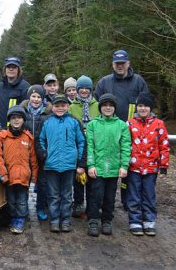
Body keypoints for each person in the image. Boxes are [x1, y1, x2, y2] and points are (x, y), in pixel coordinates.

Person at [94, 50, 148, 210]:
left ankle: (127, 201)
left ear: (128, 63)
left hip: (133, 133)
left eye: (122, 63)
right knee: (105, 167)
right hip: (107, 133)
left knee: (129, 168)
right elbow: (95, 106)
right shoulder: (104, 83)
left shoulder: (139, 82)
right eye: (117, 63)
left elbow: (146, 105)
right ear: (112, 64)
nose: (120, 66)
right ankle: (104, 202)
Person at [86, 93, 131, 237]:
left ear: (115, 108)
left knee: (110, 197)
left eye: (111, 105)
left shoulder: (122, 125)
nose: (108, 108)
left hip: (113, 168)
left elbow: (125, 146)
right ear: (100, 107)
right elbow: (90, 146)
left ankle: (106, 220)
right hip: (97, 168)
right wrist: (90, 165)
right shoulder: (93, 124)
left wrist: (124, 166)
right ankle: (93, 220)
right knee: (96, 195)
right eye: (105, 105)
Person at [39, 94, 86, 233]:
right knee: (53, 195)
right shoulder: (46, 121)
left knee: (66, 195)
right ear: (52, 107)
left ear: (68, 106)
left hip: (69, 165)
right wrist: (43, 154)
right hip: (51, 165)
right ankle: (54, 220)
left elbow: (81, 142)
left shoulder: (74, 122)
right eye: (57, 106)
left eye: (63, 106)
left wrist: (80, 163)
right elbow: (39, 140)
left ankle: (65, 220)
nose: (60, 108)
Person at [127, 92, 170, 236]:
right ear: (136, 107)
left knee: (149, 195)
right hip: (134, 167)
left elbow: (164, 145)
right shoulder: (130, 123)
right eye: (140, 106)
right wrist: (124, 163)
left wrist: (163, 165)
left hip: (151, 167)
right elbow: (125, 145)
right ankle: (135, 221)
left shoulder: (159, 124)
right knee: (134, 195)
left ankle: (149, 221)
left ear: (150, 108)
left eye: (145, 106)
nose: (143, 108)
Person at [0, 105, 38, 234]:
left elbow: (33, 159)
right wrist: (3, 173)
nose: (16, 120)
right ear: (9, 120)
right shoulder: (3, 136)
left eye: (19, 118)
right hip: (9, 176)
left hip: (24, 176)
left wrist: (34, 176)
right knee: (11, 200)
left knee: (22, 200)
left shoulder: (28, 137)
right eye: (13, 118)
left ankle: (20, 220)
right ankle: (13, 217)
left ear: (23, 120)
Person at [20, 85, 52, 221]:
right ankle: (23, 207)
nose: (36, 99)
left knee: (42, 182)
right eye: (33, 96)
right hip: (25, 151)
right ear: (29, 97)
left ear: (43, 98)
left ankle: (40, 207)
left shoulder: (48, 113)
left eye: (39, 97)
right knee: (24, 180)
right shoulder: (22, 111)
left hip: (41, 151)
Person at [68, 75, 99, 218]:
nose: (85, 91)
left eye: (87, 88)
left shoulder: (97, 105)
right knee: (78, 179)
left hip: (95, 147)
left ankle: (92, 206)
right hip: (78, 147)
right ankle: (78, 204)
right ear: (78, 90)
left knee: (93, 180)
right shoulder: (72, 107)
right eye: (82, 88)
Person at [0, 57, 30, 128]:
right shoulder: (0, 86)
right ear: (5, 69)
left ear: (18, 70)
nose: (11, 69)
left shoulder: (25, 87)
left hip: (15, 130)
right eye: (8, 67)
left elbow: (28, 112)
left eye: (14, 67)